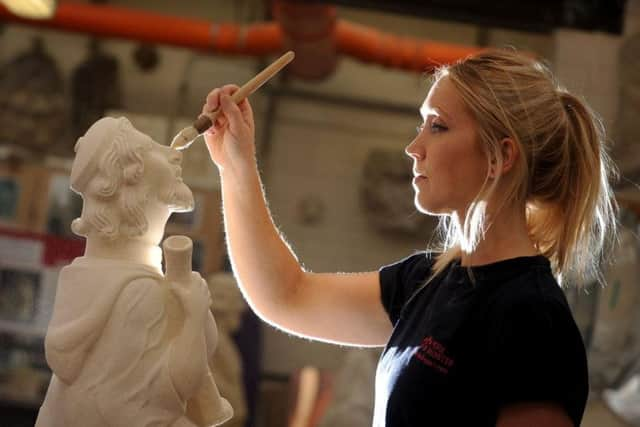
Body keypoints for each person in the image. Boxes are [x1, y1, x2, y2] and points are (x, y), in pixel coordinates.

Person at [201, 49, 618, 427]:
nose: (413, 147)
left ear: (501, 156)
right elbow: (287, 295)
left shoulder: (532, 318)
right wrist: (236, 164)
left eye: (437, 127)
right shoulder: (428, 281)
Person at [36, 117, 232, 427]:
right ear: (128, 179)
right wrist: (194, 315)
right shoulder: (141, 292)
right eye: (151, 148)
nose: (175, 154)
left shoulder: (87, 274)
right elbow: (180, 385)